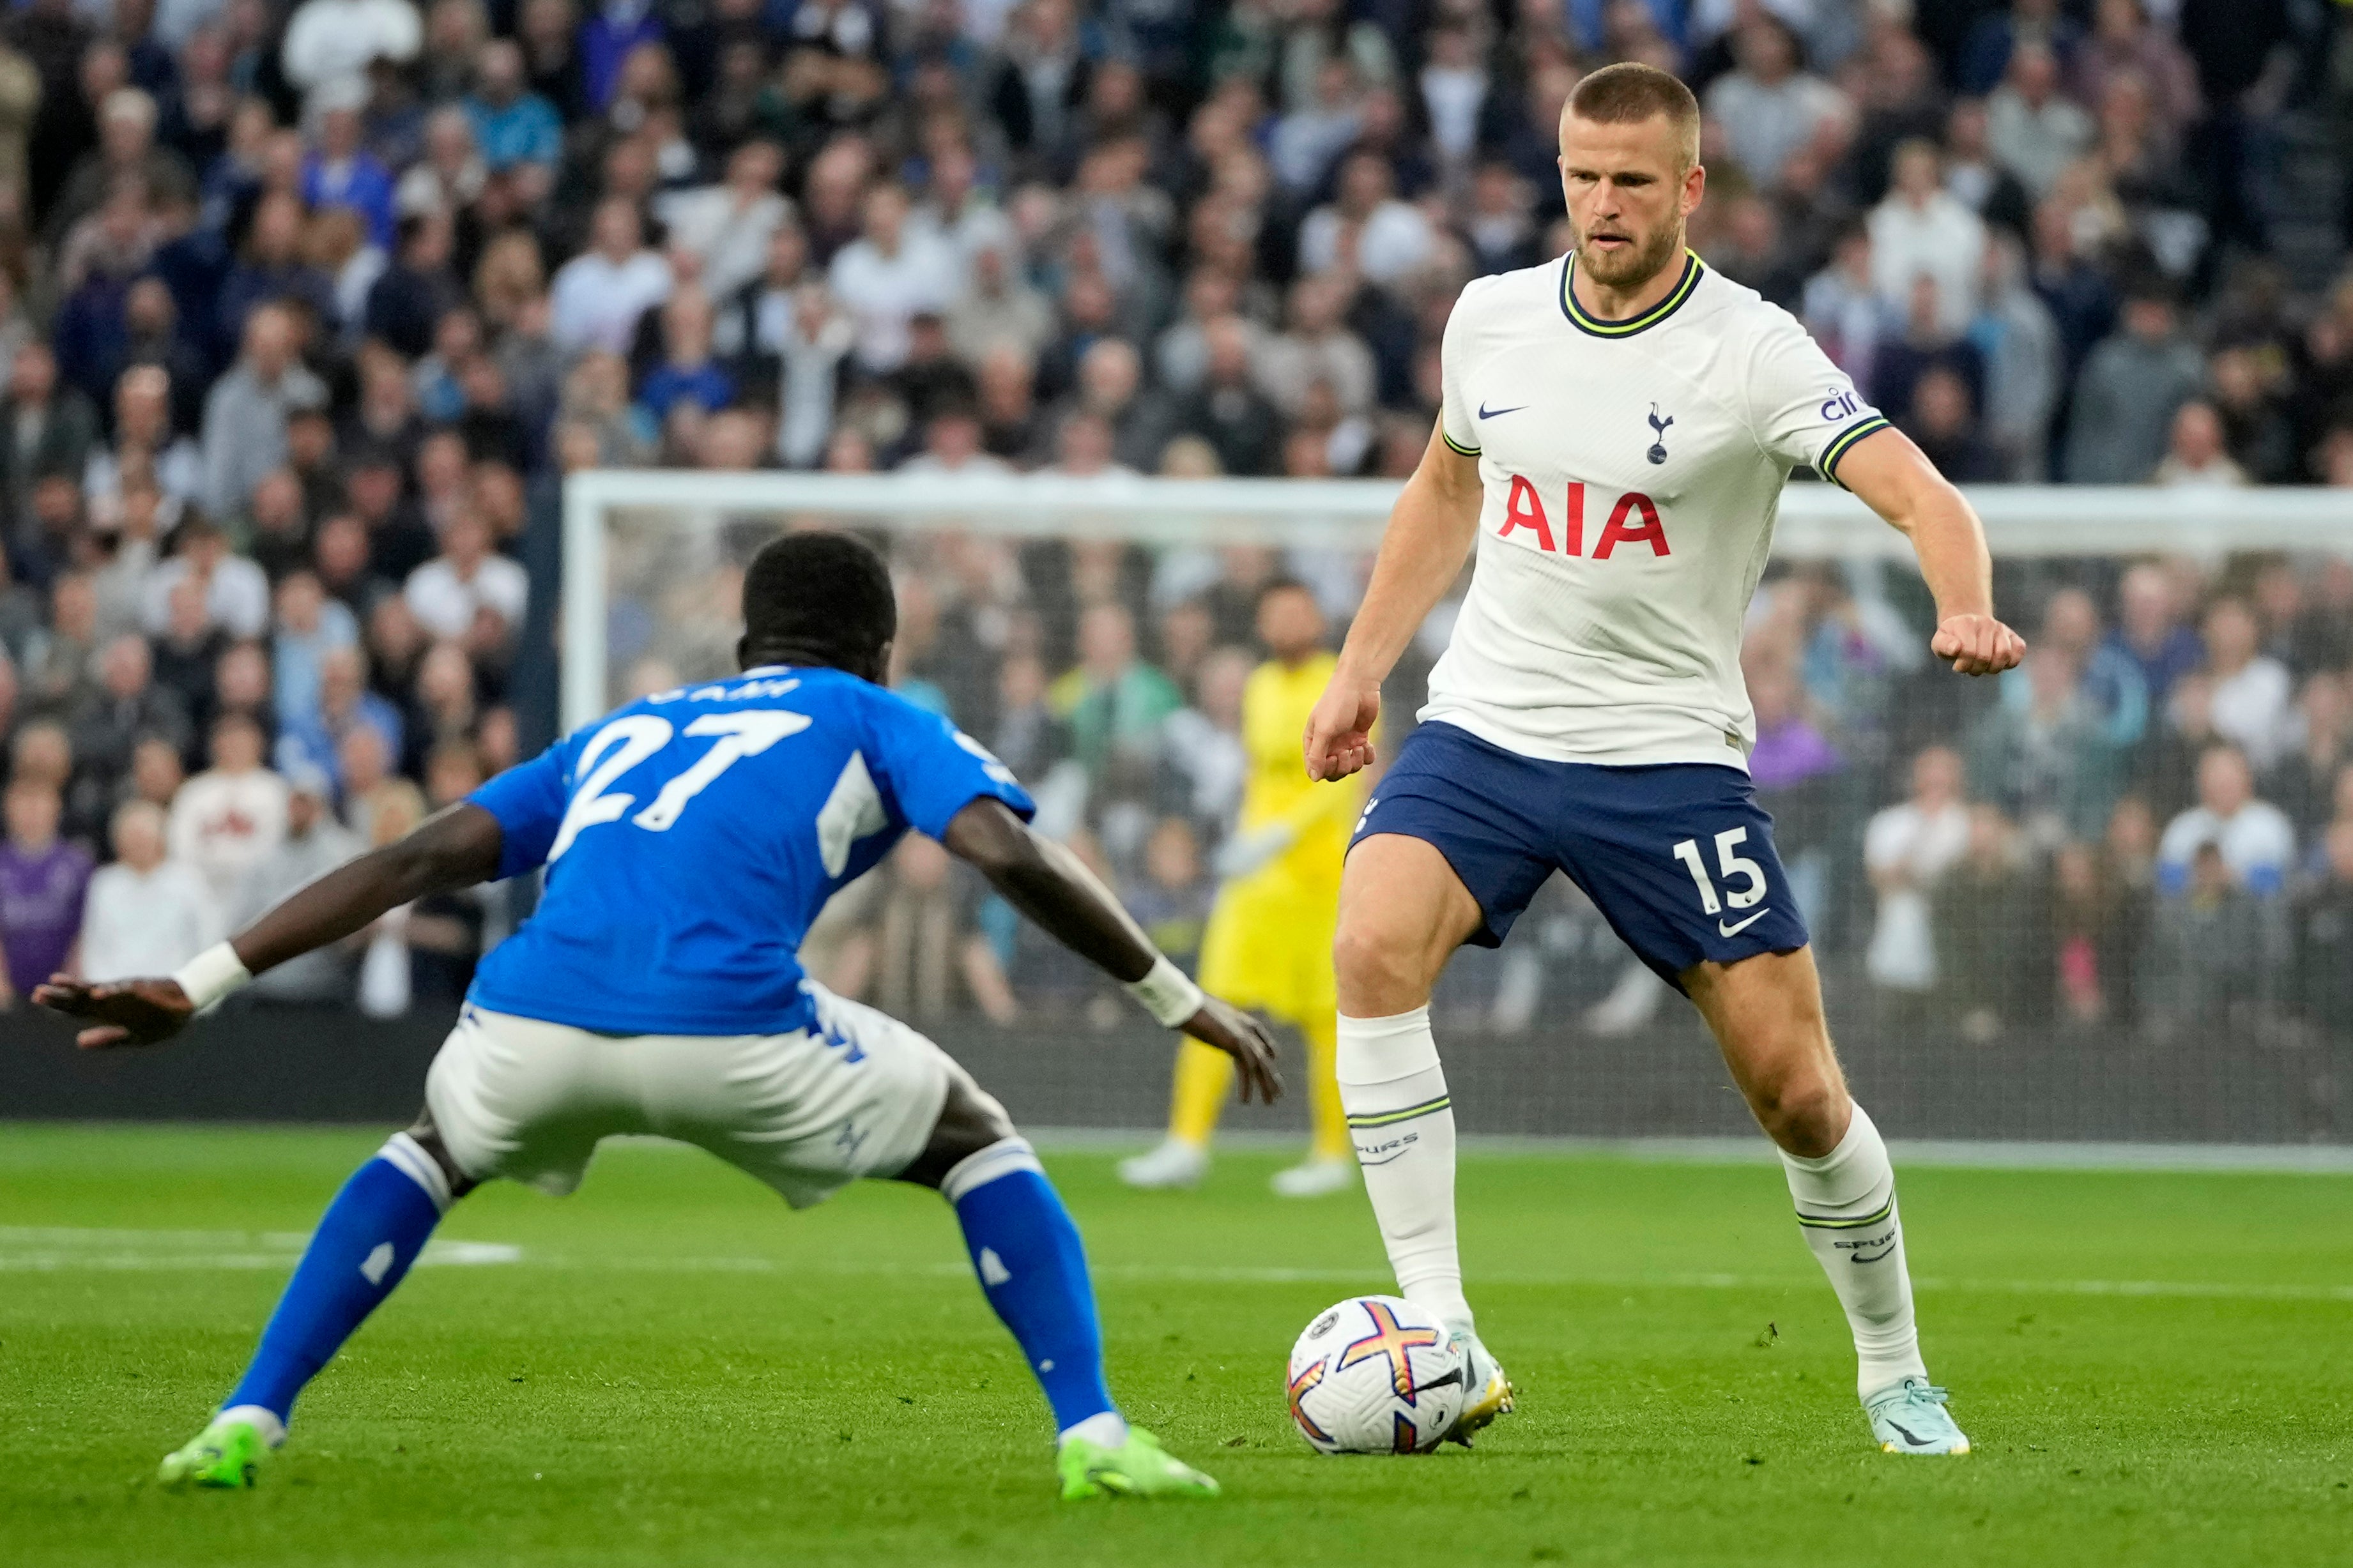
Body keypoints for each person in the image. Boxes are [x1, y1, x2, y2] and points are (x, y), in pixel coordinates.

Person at [41, 531, 1278, 1502]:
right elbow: (1003, 857)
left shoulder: (619, 729)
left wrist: (195, 982)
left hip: (526, 1024)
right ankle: (1095, 1434)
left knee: (425, 1149)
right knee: (976, 1141)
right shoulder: (876, 716)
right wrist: (1177, 1001)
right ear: (883, 653)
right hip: (731, 1030)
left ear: (744, 644)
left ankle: (242, 1418)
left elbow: (414, 859)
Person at [1299, 65, 2025, 1459]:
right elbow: (1445, 485)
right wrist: (1359, 668)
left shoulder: (1750, 352)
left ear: (1689, 187)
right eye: (1581, 175)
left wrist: (1959, 599)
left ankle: (1891, 1369)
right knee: (1368, 947)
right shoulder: (1491, 318)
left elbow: (1916, 488)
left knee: (1794, 1089)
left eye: (1631, 180)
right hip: (1486, 729)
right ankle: (1440, 1334)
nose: (1601, 204)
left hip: (1666, 761)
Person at [1122, 582, 1365, 1197]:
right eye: (1275, 612)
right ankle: (1186, 1142)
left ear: (1316, 616)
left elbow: (1345, 778)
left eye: (1297, 609)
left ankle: (1332, 1153)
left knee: (1327, 1020)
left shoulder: (1344, 683)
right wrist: (1247, 836)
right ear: (1262, 622)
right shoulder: (1257, 686)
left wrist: (1282, 833)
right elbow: (1262, 775)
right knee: (1212, 1001)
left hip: (1315, 882)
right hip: (1255, 883)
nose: (1286, 621)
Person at [77, 798, 220, 981]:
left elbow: (208, 938)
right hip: (116, 993)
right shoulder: (105, 883)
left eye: (144, 836)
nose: (138, 843)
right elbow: (93, 947)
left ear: (161, 838)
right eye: (131, 836)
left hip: (174, 990)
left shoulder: (189, 881)